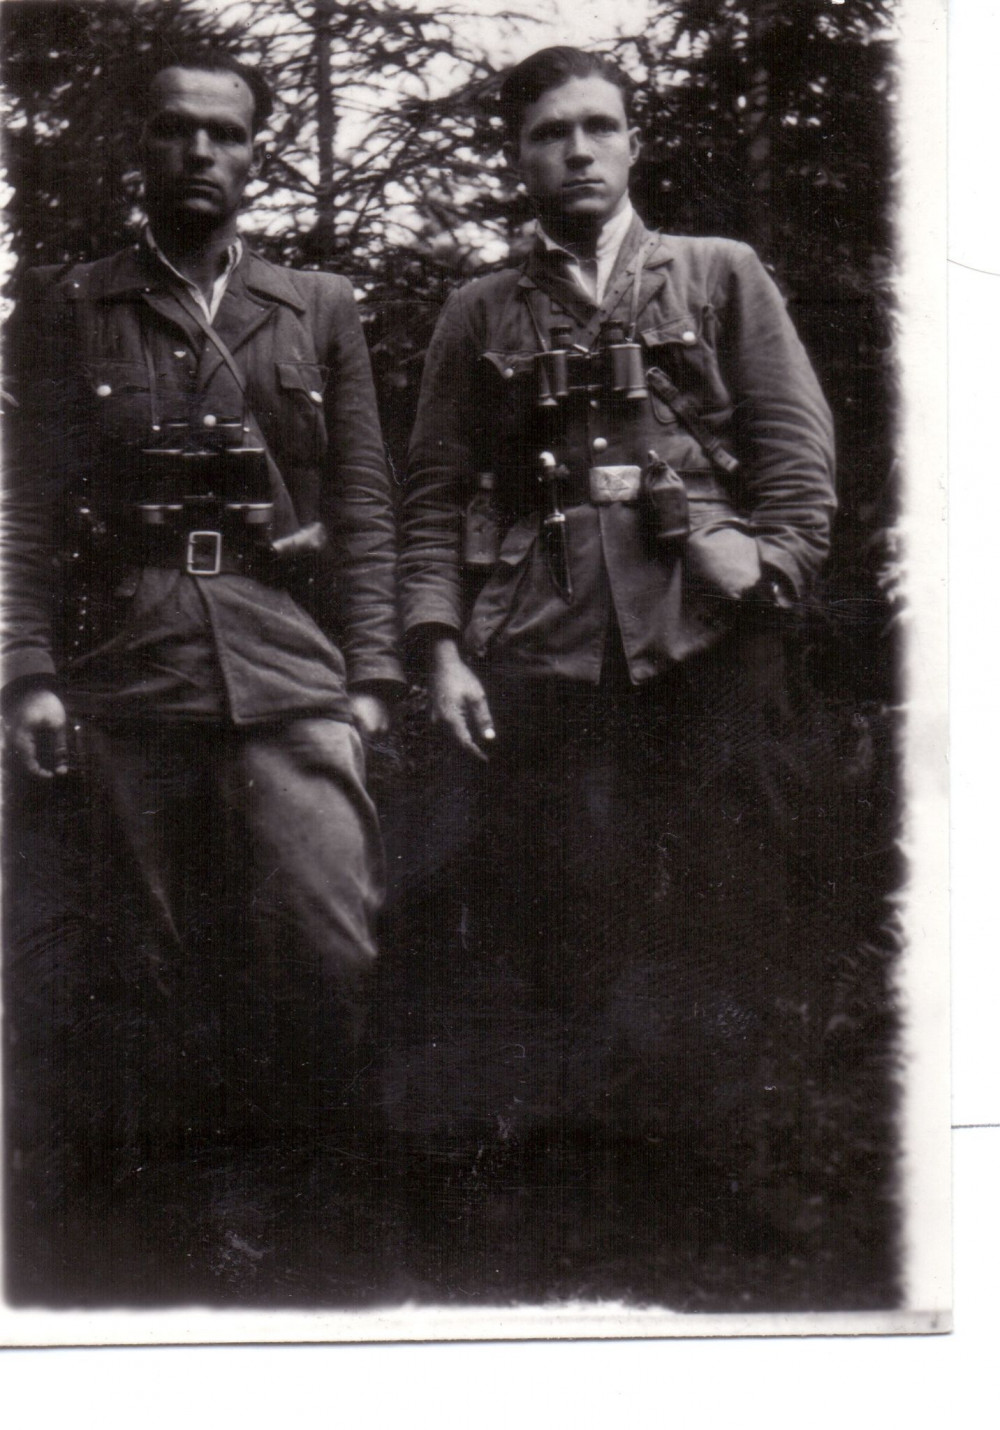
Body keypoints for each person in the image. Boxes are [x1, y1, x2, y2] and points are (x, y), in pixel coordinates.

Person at [397, 46, 837, 1284]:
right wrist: (438, 646)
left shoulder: (716, 273)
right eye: (550, 132)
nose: (577, 150)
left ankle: (736, 1173)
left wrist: (771, 573)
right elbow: (432, 491)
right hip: (546, 646)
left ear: (632, 142)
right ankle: (582, 1193)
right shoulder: (481, 312)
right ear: (517, 156)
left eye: (598, 125)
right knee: (560, 912)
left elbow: (795, 452)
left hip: (709, 636)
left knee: (730, 905)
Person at [2, 49, 403, 1297]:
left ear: (254, 157)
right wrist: (24, 669)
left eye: (224, 135)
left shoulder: (316, 305)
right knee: (141, 963)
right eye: (175, 131)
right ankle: (165, 1242)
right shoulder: (70, 305)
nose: (199, 153)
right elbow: (22, 504)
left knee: (324, 942)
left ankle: (306, 1217)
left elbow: (365, 501)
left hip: (287, 663)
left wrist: (373, 673)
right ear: (143, 151)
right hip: (128, 664)